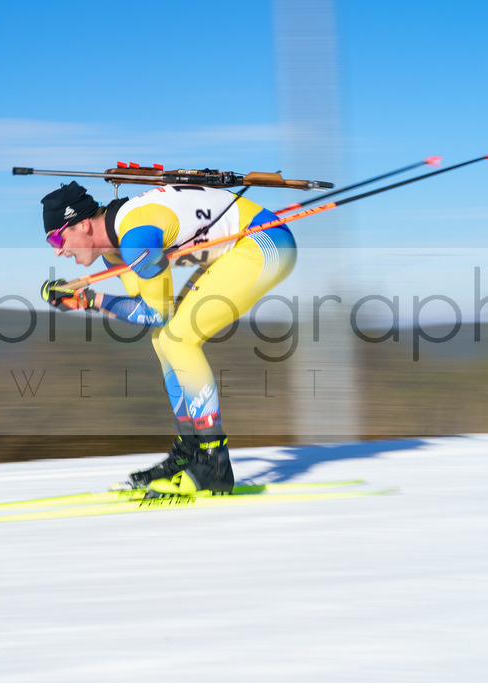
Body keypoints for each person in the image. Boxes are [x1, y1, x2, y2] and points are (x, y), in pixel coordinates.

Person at [38, 180, 297, 496]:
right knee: (164, 339)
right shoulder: (115, 252)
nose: (57, 249)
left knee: (178, 338)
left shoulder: (136, 238)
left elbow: (154, 312)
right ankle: (190, 451)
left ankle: (213, 461)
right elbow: (148, 308)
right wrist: (87, 300)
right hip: (235, 247)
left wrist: (91, 301)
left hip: (263, 241)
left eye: (56, 237)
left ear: (82, 224)